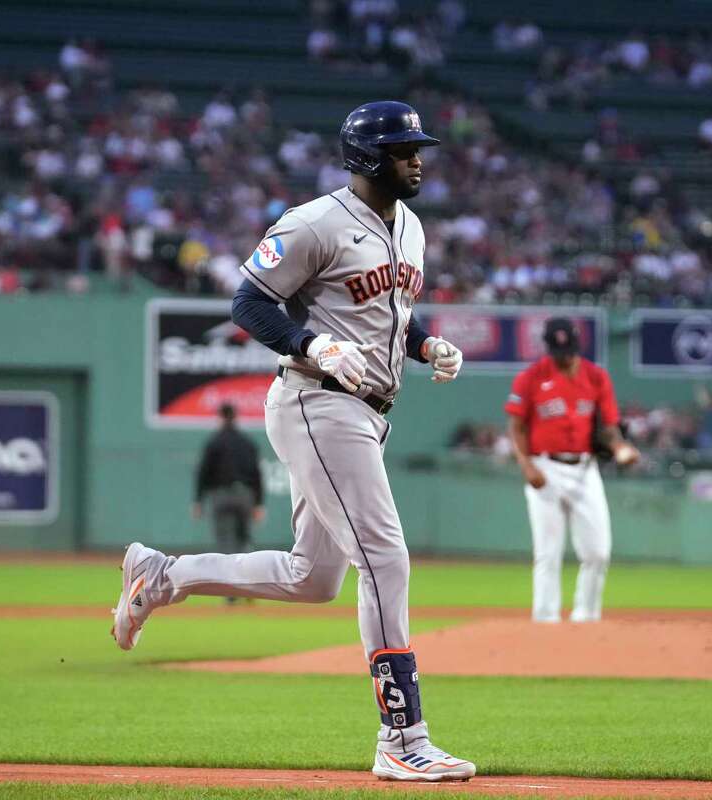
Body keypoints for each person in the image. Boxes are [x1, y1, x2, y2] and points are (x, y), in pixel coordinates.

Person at [110, 101, 475, 782]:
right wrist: (312, 343)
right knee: (386, 560)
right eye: (404, 150)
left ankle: (165, 575)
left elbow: (388, 310)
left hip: (365, 411)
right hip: (318, 401)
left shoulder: (413, 229)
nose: (418, 159)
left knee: (313, 579)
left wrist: (425, 343)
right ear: (369, 159)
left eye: (418, 148)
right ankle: (402, 736)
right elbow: (248, 302)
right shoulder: (314, 223)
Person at [505, 318, 639, 624]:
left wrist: (620, 448)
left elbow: (608, 426)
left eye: (569, 349)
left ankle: (586, 619)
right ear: (549, 347)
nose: (565, 356)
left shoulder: (596, 377)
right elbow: (516, 426)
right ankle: (546, 621)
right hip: (545, 467)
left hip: (584, 469)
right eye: (559, 350)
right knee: (547, 553)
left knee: (598, 552)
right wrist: (526, 464)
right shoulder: (531, 377)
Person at [192, 403, 264, 603]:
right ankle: (251, 589)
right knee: (245, 542)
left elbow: (203, 472)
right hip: (245, 495)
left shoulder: (214, 442)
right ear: (236, 417)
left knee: (226, 544)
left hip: (221, 496)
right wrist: (258, 503)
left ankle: (231, 592)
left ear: (221, 418)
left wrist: (198, 500)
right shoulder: (247, 442)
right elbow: (257, 474)